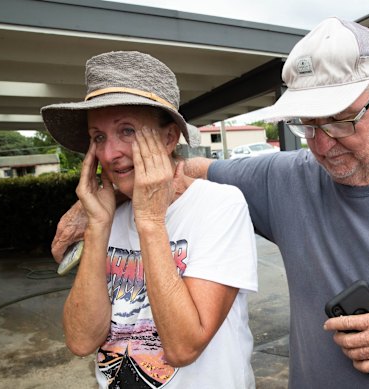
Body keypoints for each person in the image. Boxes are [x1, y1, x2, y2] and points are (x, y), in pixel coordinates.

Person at [52, 19, 369, 388]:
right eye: (307, 125)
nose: (322, 145)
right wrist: (101, 199)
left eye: (341, 121)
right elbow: (181, 168)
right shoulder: (285, 178)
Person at [41, 51, 258, 388]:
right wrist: (98, 227)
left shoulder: (220, 206)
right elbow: (82, 341)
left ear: (169, 138)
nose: (110, 154)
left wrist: (151, 221)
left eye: (126, 131)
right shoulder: (108, 216)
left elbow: (184, 347)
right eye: (98, 137)